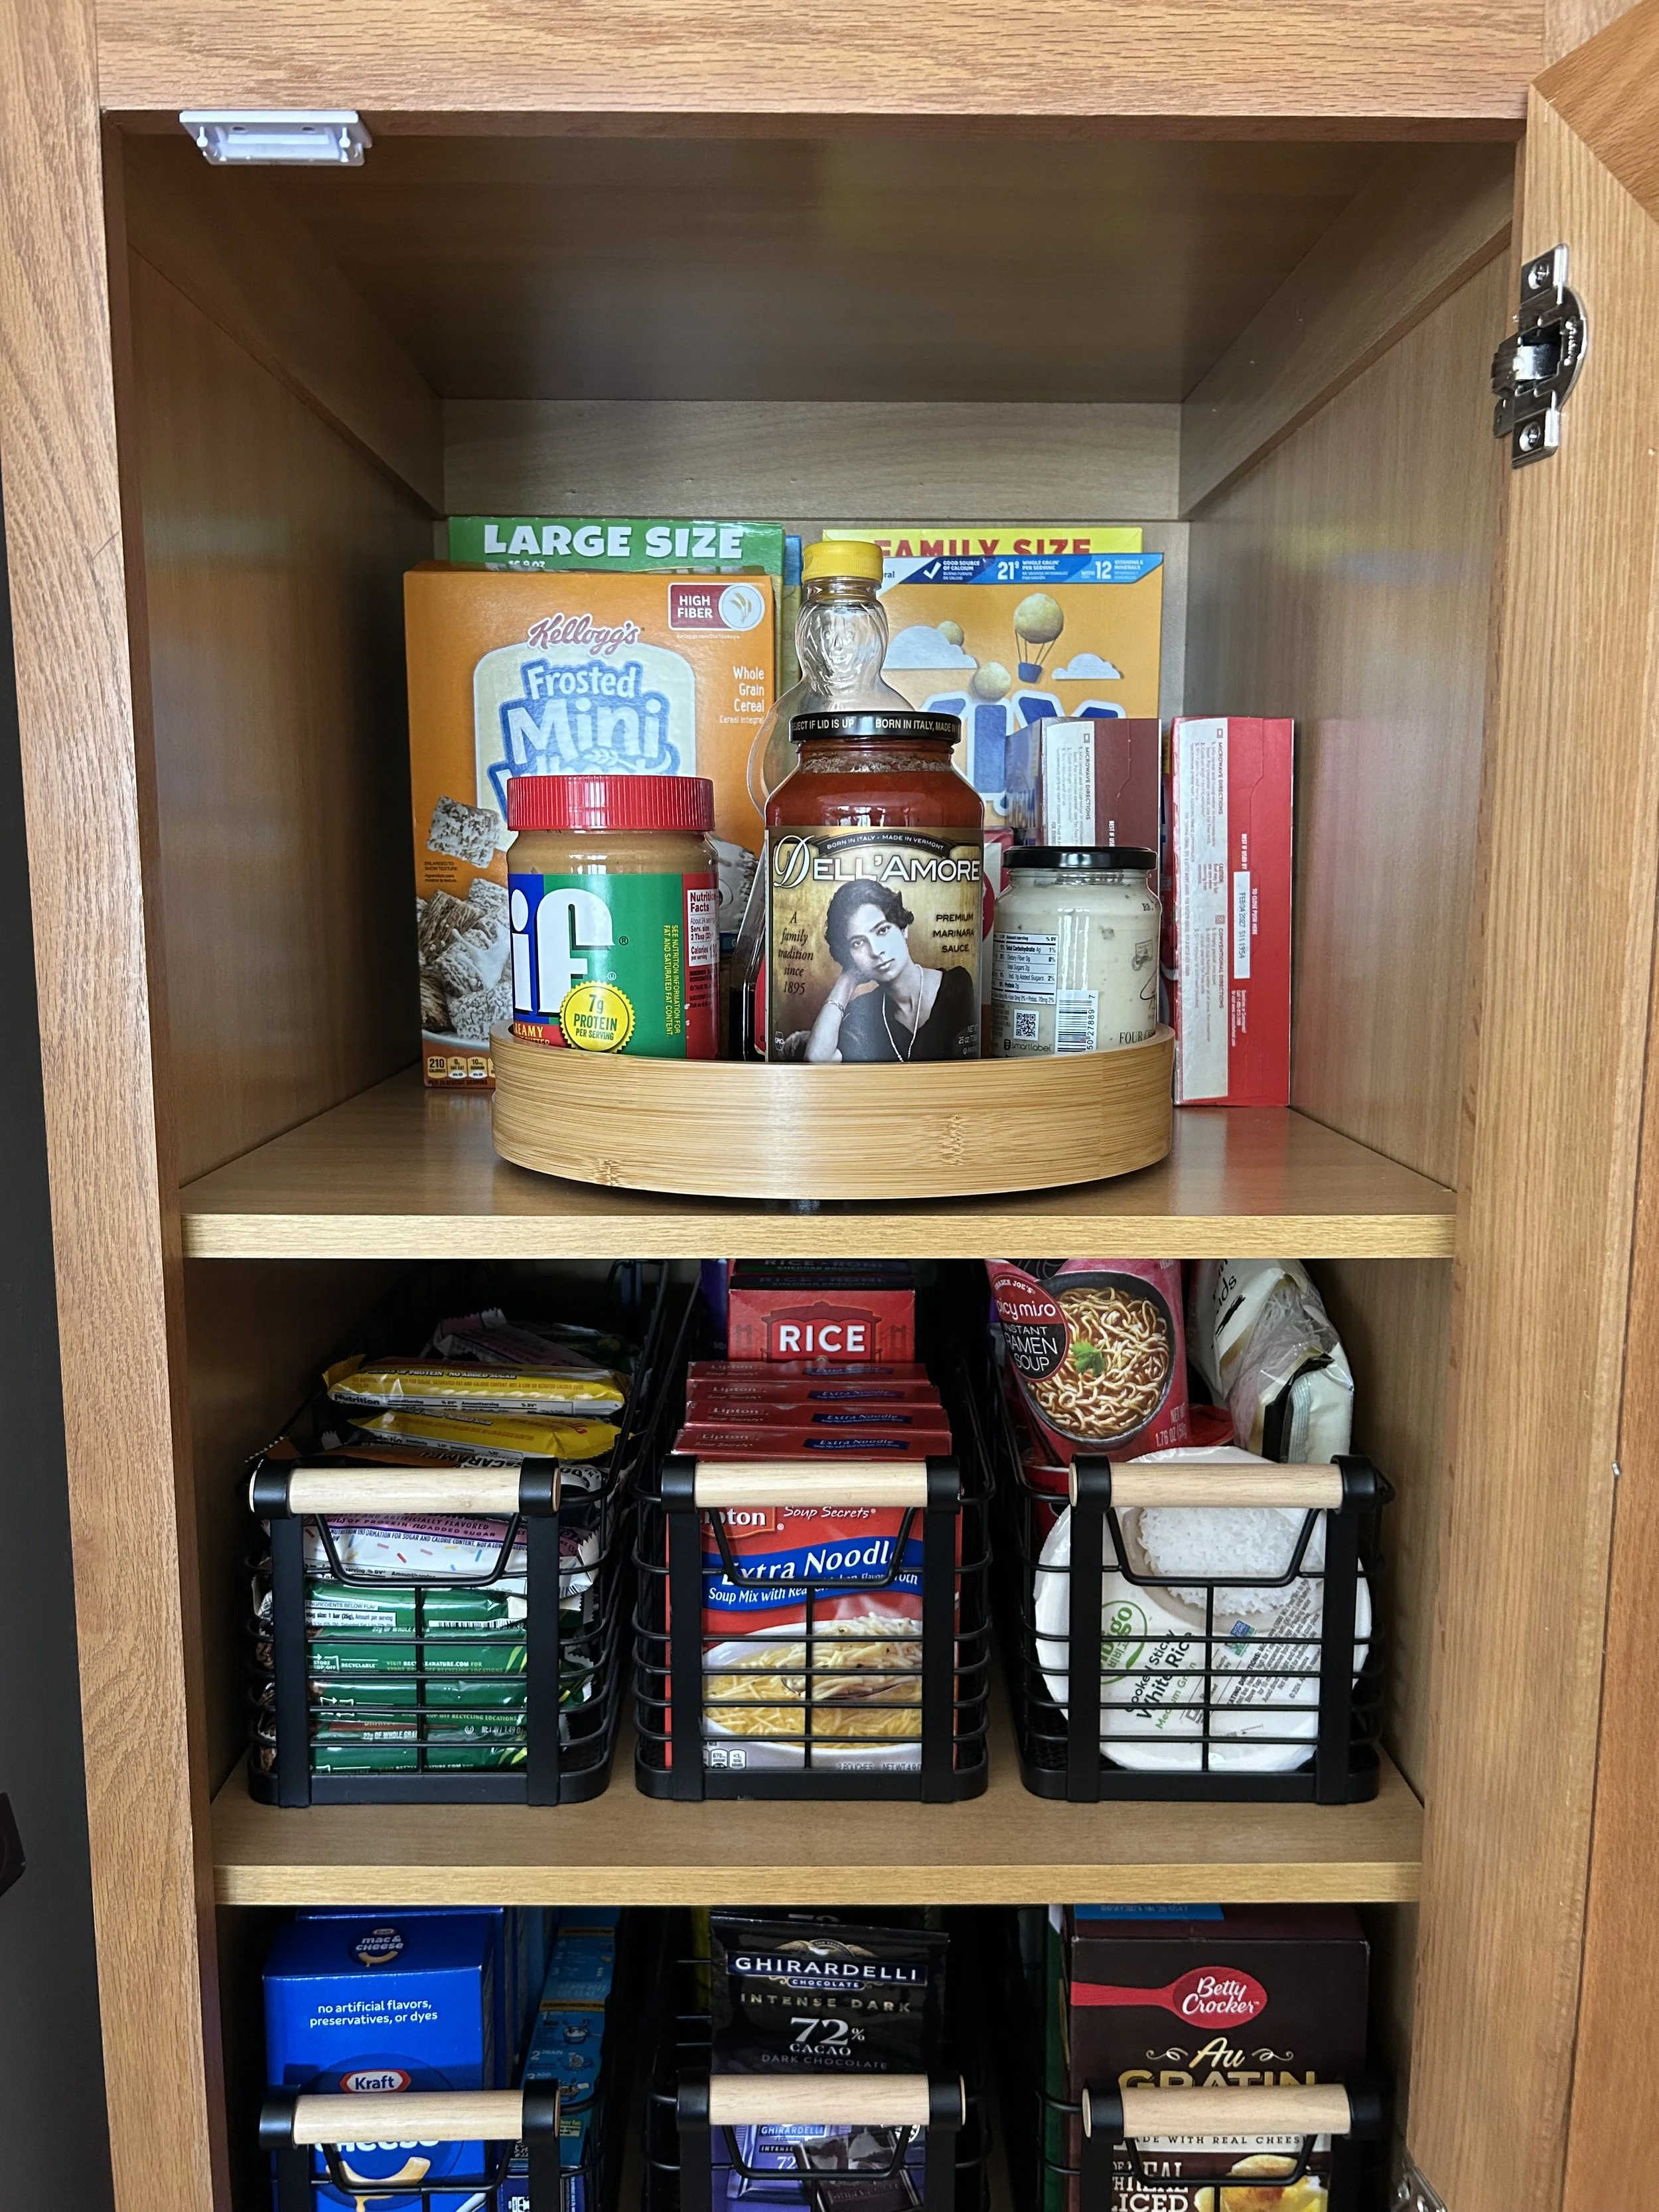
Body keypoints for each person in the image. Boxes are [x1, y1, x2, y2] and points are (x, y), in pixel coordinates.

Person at [799, 879, 977, 1062]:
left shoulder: (959, 986)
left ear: (903, 929)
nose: (876, 951)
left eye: (882, 930)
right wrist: (848, 979)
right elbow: (818, 1059)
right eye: (858, 943)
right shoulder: (865, 1012)